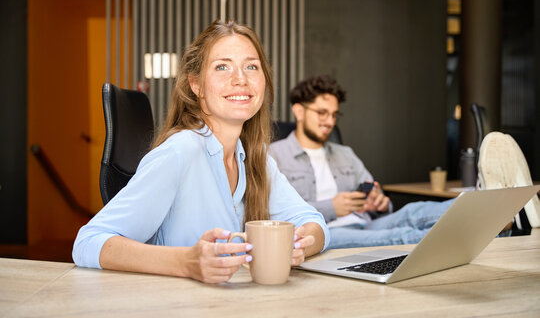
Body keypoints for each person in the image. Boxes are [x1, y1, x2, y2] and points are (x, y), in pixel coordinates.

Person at [73, 21, 329, 283]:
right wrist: (186, 262)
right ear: (196, 85)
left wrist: (297, 246)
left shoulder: (256, 158)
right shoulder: (180, 151)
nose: (240, 79)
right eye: (222, 67)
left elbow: (314, 223)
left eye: (251, 66)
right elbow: (88, 243)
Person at [269, 76, 455, 249]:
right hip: (326, 233)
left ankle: (476, 199)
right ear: (299, 111)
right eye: (322, 113)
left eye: (334, 115)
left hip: (366, 223)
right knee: (402, 236)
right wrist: (332, 207)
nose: (330, 121)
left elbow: (378, 197)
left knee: (415, 211)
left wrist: (380, 203)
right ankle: (459, 240)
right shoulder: (272, 155)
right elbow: (272, 212)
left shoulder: (345, 154)